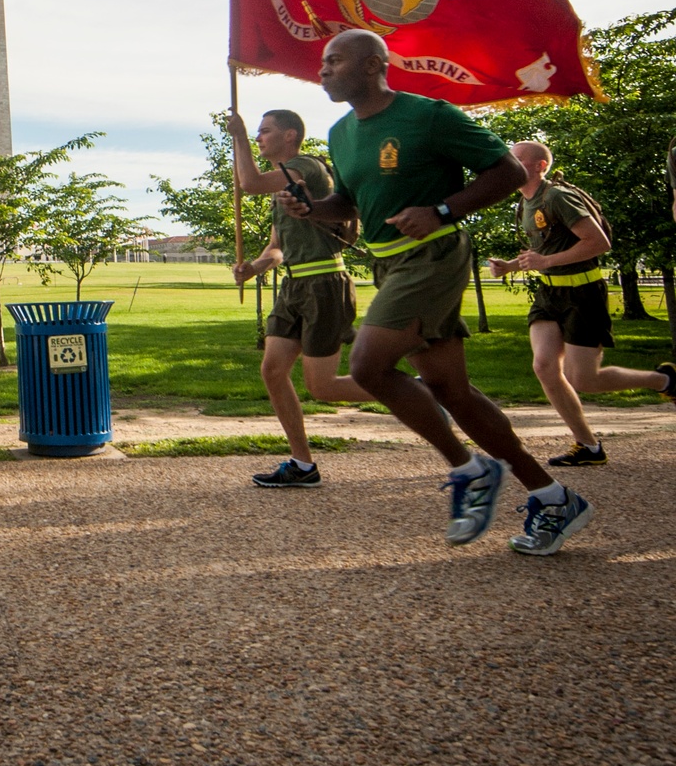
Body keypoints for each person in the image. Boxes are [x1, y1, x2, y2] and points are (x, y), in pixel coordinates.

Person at [278, 29, 594, 557]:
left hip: (434, 254)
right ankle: (553, 495)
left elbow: (507, 171)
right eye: (323, 62)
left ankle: (470, 469)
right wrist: (312, 209)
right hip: (387, 262)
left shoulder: (429, 115)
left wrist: (442, 210)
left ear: (374, 64)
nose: (323, 70)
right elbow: (351, 203)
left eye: (336, 60)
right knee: (452, 391)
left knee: (366, 366)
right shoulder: (339, 133)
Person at [488, 141, 676, 465]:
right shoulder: (524, 204)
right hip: (548, 296)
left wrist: (545, 263)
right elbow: (542, 254)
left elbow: (598, 243)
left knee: (584, 379)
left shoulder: (558, 198)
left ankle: (664, 380)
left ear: (539, 166)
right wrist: (510, 265)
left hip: (583, 294)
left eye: (517, 158)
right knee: (544, 366)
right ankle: (588, 446)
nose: (509, 163)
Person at [227, 108, 368, 488]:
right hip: (294, 288)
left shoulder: (306, 167)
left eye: (264, 131)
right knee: (273, 370)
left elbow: (249, 182)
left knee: (322, 387)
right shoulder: (283, 190)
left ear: (290, 136)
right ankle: (303, 465)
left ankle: (417, 390)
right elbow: (277, 248)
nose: (258, 137)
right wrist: (254, 267)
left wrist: (237, 136)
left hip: (324, 284)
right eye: (255, 132)